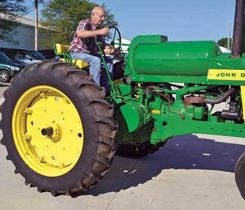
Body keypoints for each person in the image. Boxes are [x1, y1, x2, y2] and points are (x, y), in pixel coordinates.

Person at [69, 6, 114, 86]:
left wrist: (112, 51)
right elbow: (80, 34)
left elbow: (102, 48)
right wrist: (99, 32)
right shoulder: (84, 23)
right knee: (96, 60)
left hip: (90, 55)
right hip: (76, 53)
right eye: (101, 16)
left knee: (109, 63)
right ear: (93, 15)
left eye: (103, 17)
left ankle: (106, 89)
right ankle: (95, 89)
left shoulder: (99, 29)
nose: (103, 19)